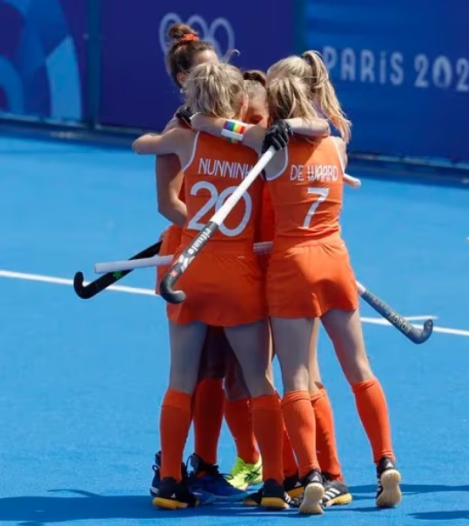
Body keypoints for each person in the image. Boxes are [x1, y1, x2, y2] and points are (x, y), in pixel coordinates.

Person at [187, 51, 402, 515]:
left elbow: (210, 124)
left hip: (290, 267)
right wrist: (301, 124)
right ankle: (385, 460)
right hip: (336, 260)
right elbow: (321, 126)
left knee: (297, 380)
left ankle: (311, 475)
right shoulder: (337, 144)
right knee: (360, 370)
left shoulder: (268, 146)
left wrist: (203, 117)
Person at [133, 61, 324, 510]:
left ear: (192, 100)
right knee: (259, 379)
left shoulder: (185, 139)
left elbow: (141, 144)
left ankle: (170, 480)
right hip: (238, 275)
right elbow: (309, 131)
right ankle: (274, 483)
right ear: (239, 100)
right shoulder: (259, 143)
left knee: (181, 379)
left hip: (192, 270)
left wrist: (189, 120)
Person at [150, 22, 246, 502]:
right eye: (207, 72)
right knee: (193, 370)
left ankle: (204, 464)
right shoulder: (179, 131)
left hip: (224, 256)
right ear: (184, 80)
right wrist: (210, 223)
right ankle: (171, 468)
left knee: (218, 368)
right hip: (191, 257)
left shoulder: (228, 123)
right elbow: (168, 204)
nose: (218, 79)